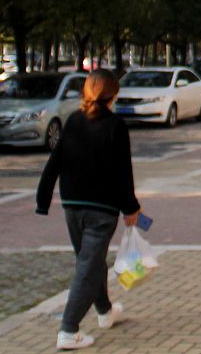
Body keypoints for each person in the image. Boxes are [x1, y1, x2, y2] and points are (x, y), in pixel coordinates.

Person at [36, 68, 142, 350]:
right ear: (113, 93)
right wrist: (131, 208)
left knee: (90, 263)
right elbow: (123, 173)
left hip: (72, 204)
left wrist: (43, 199)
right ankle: (68, 330)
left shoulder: (74, 120)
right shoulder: (115, 126)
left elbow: (55, 162)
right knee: (88, 267)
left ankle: (105, 311)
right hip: (101, 209)